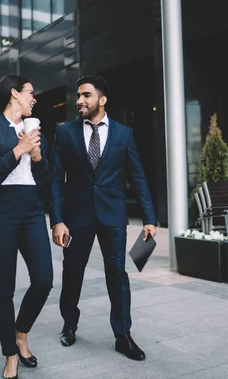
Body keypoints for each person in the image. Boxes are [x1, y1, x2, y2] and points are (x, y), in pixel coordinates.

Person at [50, 75, 157, 361]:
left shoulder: (124, 134)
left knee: (117, 276)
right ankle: (69, 324)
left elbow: (138, 177)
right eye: (78, 96)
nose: (80, 101)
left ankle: (123, 335)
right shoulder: (66, 132)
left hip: (112, 216)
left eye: (86, 95)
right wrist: (57, 220)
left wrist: (149, 218)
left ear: (102, 99)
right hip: (76, 217)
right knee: (73, 273)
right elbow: (55, 180)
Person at [0, 75, 53, 379]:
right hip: (0, 210)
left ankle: (21, 332)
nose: (35, 99)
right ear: (14, 94)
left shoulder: (34, 129)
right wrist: (19, 151)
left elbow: (46, 178)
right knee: (3, 288)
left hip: (32, 207)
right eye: (31, 93)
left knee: (44, 279)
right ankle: (10, 354)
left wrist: (37, 154)